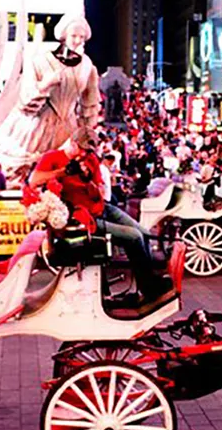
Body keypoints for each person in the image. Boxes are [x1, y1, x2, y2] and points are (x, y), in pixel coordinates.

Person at [30, 127, 171, 303]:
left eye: (89, 151)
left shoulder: (91, 161)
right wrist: (64, 172)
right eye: (83, 150)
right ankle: (149, 289)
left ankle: (147, 284)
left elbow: (100, 192)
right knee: (133, 237)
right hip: (83, 218)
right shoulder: (52, 157)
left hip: (102, 208)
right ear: (73, 144)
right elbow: (34, 180)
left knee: (143, 233)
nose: (85, 154)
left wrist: (87, 180)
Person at [0, 14, 102, 179]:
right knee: (26, 172)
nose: (78, 41)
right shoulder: (40, 61)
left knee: (65, 173)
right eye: (74, 36)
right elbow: (25, 101)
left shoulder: (87, 66)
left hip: (68, 127)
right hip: (38, 125)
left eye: (82, 37)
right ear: (64, 36)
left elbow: (90, 103)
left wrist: (86, 131)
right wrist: (47, 83)